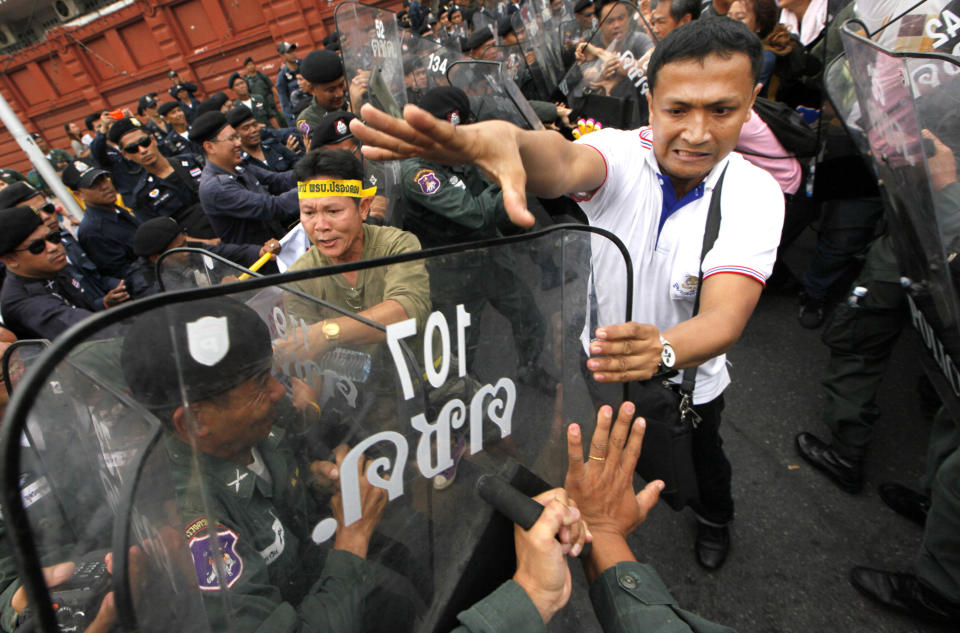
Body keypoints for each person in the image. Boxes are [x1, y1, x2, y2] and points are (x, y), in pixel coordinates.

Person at [353, 17, 784, 571]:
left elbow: (726, 314)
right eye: (679, 110)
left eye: (721, 110)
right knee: (607, 448)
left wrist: (665, 350)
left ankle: (713, 519)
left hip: (684, 385)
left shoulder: (754, 192)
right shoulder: (621, 154)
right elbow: (561, 161)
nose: (698, 133)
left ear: (751, 102)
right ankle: (614, 514)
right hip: (600, 364)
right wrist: (506, 141)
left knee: (703, 465)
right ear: (651, 100)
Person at [120, 297, 390, 632]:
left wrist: (314, 485)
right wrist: (354, 536)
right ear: (193, 420)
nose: (279, 391)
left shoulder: (248, 433)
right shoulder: (197, 523)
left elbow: (273, 509)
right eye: (261, 384)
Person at [396, 87, 549, 387]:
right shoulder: (418, 172)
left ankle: (530, 368)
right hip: (452, 273)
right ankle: (467, 404)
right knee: (461, 348)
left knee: (529, 318)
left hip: (492, 257)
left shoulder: (462, 152)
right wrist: (508, 174)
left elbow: (490, 197)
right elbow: (474, 213)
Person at [282, 149, 430, 360]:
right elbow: (306, 359)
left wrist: (326, 332)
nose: (321, 226)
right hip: (355, 391)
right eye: (309, 213)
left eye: (333, 211)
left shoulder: (397, 245)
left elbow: (407, 309)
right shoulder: (299, 276)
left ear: (363, 208)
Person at [0, 207, 128, 340]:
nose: (53, 247)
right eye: (38, 247)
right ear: (10, 259)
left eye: (53, 237)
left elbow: (81, 307)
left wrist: (105, 304)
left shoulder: (51, 269)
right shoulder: (24, 303)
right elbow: (88, 330)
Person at [193, 111, 299, 245]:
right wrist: (315, 188)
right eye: (231, 139)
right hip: (260, 260)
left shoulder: (237, 165)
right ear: (210, 147)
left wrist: (313, 171)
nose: (238, 143)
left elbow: (277, 180)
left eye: (237, 137)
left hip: (279, 244)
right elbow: (270, 207)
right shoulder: (215, 187)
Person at [0, 182, 120, 295]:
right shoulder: (24, 265)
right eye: (35, 214)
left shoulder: (63, 238)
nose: (47, 216)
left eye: (47, 208)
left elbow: (97, 277)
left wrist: (122, 287)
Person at [108, 117, 216, 239]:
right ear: (125, 155)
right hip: (204, 248)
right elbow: (162, 237)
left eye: (144, 142)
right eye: (133, 149)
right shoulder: (142, 197)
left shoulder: (193, 161)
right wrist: (207, 244)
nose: (143, 150)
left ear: (153, 139)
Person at [124, 217, 280, 297]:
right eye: (179, 248)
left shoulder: (187, 250)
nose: (186, 251)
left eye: (185, 243)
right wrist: (219, 294)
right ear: (156, 258)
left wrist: (260, 251)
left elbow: (226, 252)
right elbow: (178, 308)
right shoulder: (144, 282)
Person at [63, 161, 142, 279]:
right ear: (79, 195)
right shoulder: (92, 231)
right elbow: (125, 275)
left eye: (104, 179)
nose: (105, 186)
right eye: (94, 185)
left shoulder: (115, 209)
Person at [226, 106, 299, 174]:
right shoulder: (240, 162)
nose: (253, 130)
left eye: (255, 125)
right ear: (236, 134)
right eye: (246, 128)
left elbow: (299, 166)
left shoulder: (274, 146)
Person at [295, 50, 348, 139]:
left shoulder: (351, 98)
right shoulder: (308, 120)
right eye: (331, 90)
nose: (339, 94)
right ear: (312, 90)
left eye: (341, 85)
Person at [241, 56, 281, 122]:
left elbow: (272, 87)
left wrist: (280, 97)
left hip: (269, 101)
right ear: (246, 68)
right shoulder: (246, 80)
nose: (251, 66)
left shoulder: (262, 75)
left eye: (252, 64)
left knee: (276, 118)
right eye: (248, 65)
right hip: (258, 104)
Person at [275, 42, 302, 125]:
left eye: (293, 51)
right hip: (300, 115)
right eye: (289, 52)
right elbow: (285, 104)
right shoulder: (282, 77)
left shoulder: (303, 66)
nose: (293, 54)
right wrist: (293, 124)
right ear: (282, 56)